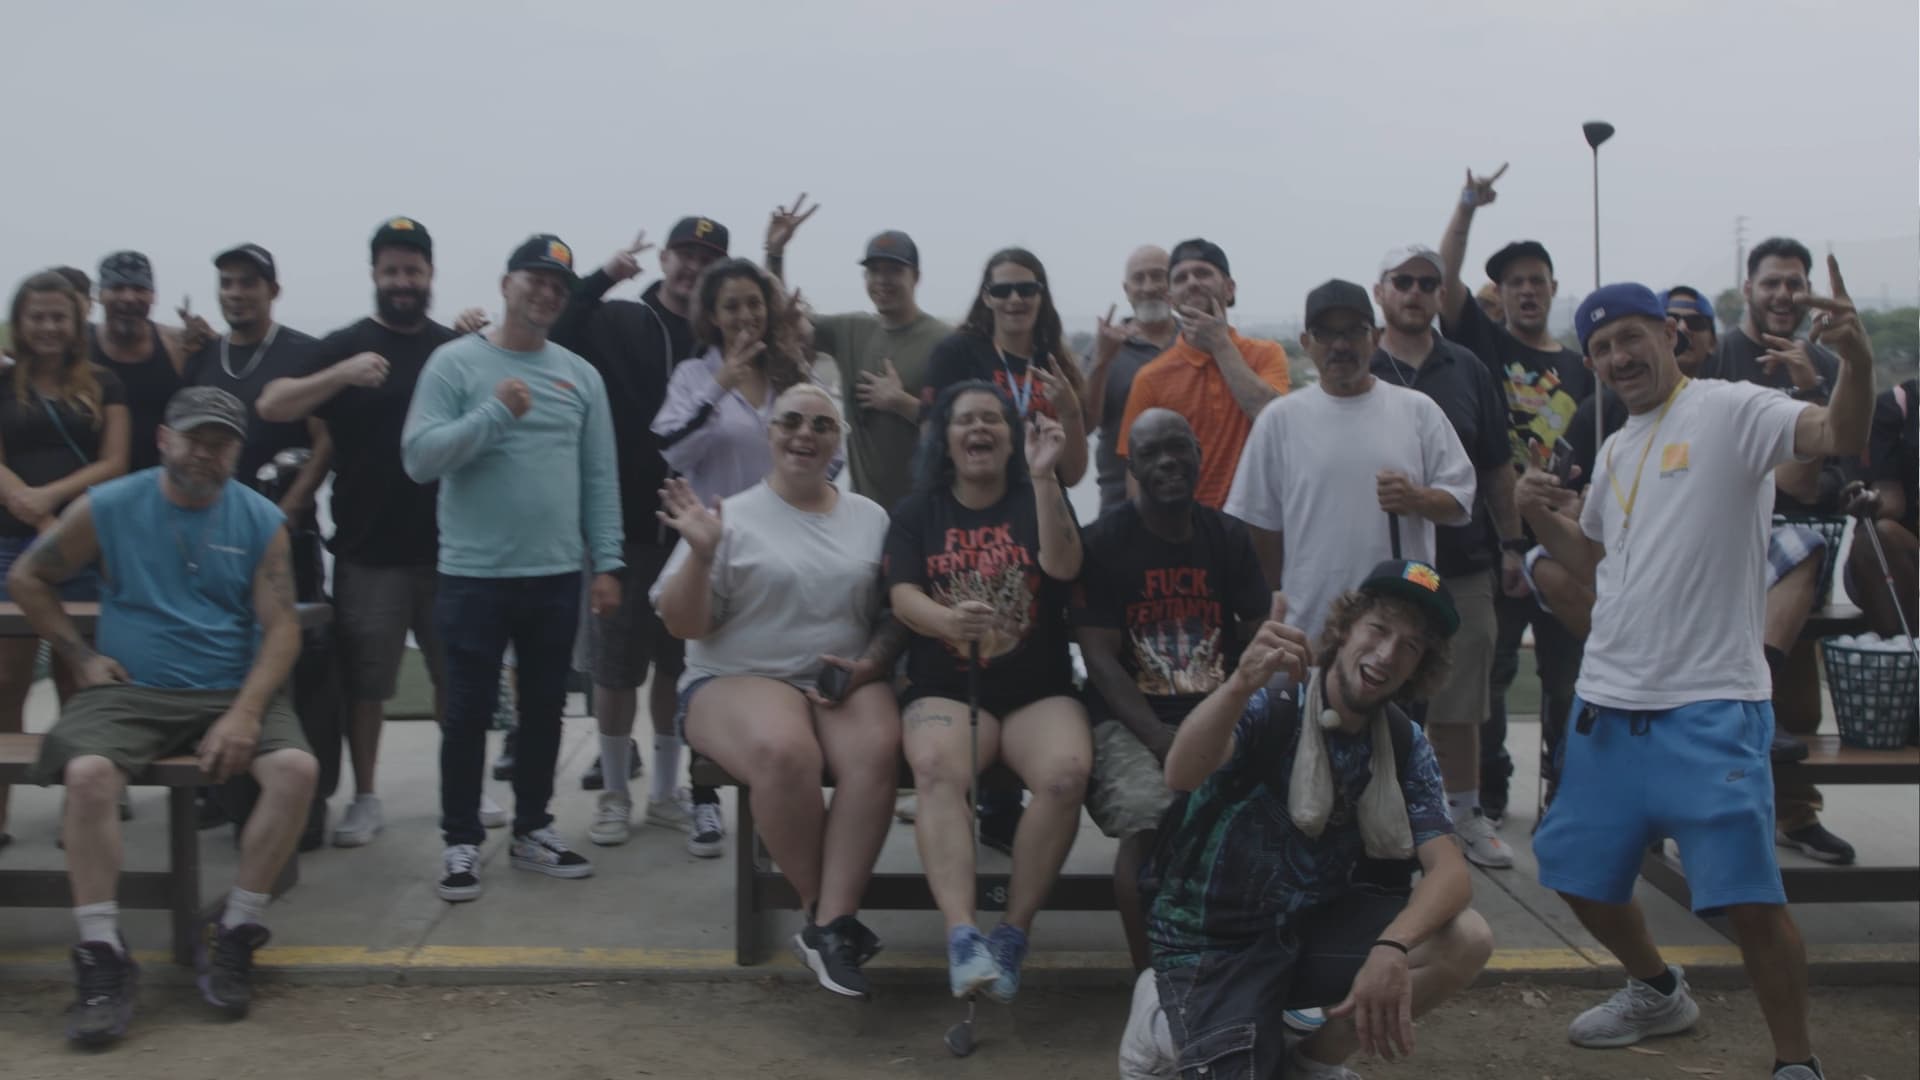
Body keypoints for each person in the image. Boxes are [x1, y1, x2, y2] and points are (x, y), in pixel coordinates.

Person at [1519, 270, 1874, 1080]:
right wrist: (1541, 515)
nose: (1617, 356)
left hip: (1711, 706)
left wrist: (1853, 362)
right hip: (1609, 706)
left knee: (1748, 903)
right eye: (1601, 347)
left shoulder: (1730, 409)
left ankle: (1795, 1062)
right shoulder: (1614, 449)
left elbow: (1833, 432)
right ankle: (1656, 989)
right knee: (1571, 869)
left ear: (1668, 336)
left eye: (1631, 337)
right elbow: (1604, 563)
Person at [11, 386, 316, 1044]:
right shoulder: (113, 503)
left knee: (295, 769)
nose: (205, 453)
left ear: (237, 450)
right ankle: (102, 954)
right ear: (164, 439)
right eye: (194, 438)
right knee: (88, 775)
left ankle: (235, 929)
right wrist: (80, 657)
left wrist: (245, 711)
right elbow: (29, 577)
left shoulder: (260, 520)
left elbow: (283, 628)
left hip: (228, 687)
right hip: (130, 691)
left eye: (221, 442)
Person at [1135, 562, 1492, 1080]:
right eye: (1379, 628)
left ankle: (1313, 1063)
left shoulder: (1402, 741)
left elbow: (1450, 873)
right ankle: (1155, 1025)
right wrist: (1237, 684)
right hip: (1215, 941)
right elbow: (1181, 772)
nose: (1387, 654)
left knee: (1467, 937)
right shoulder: (1275, 703)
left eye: (1411, 646)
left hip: (1308, 930)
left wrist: (1392, 947)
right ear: (1346, 628)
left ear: (1420, 667)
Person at [651, 385, 900, 997]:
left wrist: (870, 664)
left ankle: (828, 923)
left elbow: (889, 613)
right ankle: (827, 916)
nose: (804, 434)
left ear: (838, 440)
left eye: (821, 424)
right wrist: (701, 557)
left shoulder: (871, 517)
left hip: (839, 676)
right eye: (790, 421)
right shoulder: (728, 515)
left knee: (879, 747)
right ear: (769, 432)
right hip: (735, 676)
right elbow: (682, 624)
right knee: (785, 751)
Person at [402, 234, 624, 902]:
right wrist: (496, 413)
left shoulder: (580, 375)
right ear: (506, 285)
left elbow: (599, 478)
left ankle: (533, 830)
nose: (546, 293)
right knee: (467, 710)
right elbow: (418, 457)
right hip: (472, 575)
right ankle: (461, 840)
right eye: (535, 280)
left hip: (557, 575)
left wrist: (608, 563)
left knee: (545, 711)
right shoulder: (454, 364)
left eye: (558, 285)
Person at [255, 217, 476, 848]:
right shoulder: (344, 345)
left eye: (413, 270)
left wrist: (480, 333)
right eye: (391, 271)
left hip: (451, 548)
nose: (402, 281)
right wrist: (341, 376)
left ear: (430, 275)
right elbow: (273, 403)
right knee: (367, 687)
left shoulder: (453, 347)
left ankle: (459, 790)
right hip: (366, 551)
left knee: (455, 682)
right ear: (375, 276)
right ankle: (367, 795)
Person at [886, 381, 1087, 1002]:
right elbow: (901, 595)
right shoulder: (918, 512)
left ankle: (1012, 934)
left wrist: (1048, 480)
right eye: (965, 420)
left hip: (1036, 689)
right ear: (945, 438)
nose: (979, 431)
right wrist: (945, 621)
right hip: (949, 686)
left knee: (1064, 775)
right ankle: (963, 935)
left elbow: (1064, 567)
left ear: (1012, 436)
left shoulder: (1038, 498)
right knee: (935, 770)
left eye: (993, 421)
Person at [1073, 408, 1268, 972]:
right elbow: (1100, 660)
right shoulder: (1105, 541)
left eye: (1178, 448)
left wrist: (1235, 710)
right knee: (1151, 817)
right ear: (1131, 466)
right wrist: (1161, 740)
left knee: (1257, 811)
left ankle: (1238, 963)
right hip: (1134, 721)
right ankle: (1152, 980)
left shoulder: (1228, 538)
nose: (1168, 462)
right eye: (1152, 453)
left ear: (1199, 455)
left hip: (1217, 712)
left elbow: (1256, 636)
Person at [651, 257, 835, 856]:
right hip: (713, 546)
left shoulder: (791, 376)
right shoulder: (692, 375)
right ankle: (704, 802)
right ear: (711, 315)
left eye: (753, 304)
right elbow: (674, 450)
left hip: (786, 551)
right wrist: (722, 383)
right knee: (712, 667)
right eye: (730, 306)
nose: (743, 316)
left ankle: (774, 799)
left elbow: (831, 459)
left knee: (780, 671)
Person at [550, 215, 727, 812]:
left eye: (707, 257)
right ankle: (616, 793)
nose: (693, 266)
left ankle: (665, 791)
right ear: (664, 260)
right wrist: (601, 277)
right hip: (621, 524)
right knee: (615, 668)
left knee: (679, 667)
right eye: (684, 253)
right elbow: (559, 325)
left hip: (696, 533)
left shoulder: (724, 341)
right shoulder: (622, 317)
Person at [1436, 164, 1594, 829]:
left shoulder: (1586, 367)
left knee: (1566, 679)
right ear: (1499, 294)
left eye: (1538, 280)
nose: (1527, 291)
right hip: (1499, 540)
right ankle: (1490, 789)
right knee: (1491, 677)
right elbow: (1444, 286)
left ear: (1554, 289)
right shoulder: (1487, 345)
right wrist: (1467, 208)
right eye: (1515, 282)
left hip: (1564, 540)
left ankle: (1564, 788)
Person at [1371, 246, 1520, 868]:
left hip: (1463, 561)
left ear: (1439, 294)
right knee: (1377, 691)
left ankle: (1463, 813)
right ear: (1380, 291)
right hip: (1380, 569)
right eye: (1402, 281)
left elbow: (1495, 465)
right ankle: (1381, 810)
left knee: (1462, 701)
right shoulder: (1361, 368)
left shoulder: (1469, 368)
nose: (1415, 291)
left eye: (1427, 283)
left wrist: (1511, 545)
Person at [1224, 279, 1476, 644]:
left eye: (1354, 332)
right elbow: (1260, 527)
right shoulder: (1279, 420)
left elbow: (1460, 501)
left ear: (1375, 339)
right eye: (1325, 333)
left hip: (1399, 634)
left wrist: (1417, 499)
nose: (1340, 345)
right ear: (1306, 343)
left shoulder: (1418, 411)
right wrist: (1279, 595)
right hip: (1307, 629)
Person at [0, 272, 131, 848]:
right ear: (20, 323)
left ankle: (78, 812)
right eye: (38, 317)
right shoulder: (3, 384)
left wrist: (53, 505)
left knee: (81, 677)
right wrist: (31, 511)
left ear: (77, 322)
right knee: (5, 680)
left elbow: (116, 464)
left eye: (60, 317)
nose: (49, 327)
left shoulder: (106, 382)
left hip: (87, 546)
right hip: (9, 544)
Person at [761, 199, 947, 515]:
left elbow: (960, 422)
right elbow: (789, 320)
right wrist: (775, 255)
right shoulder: (852, 329)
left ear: (915, 276)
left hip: (929, 513)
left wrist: (900, 402)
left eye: (894, 271)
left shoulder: (944, 341)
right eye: (874, 271)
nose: (882, 280)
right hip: (865, 514)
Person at [1117, 239, 1291, 510]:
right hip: (1186, 530)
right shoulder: (1151, 377)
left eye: (1203, 273)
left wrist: (1220, 344)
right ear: (1170, 298)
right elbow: (1136, 470)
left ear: (1230, 288)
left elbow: (1274, 419)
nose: (1192, 282)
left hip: (1259, 526)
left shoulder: (1266, 355)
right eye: (1181, 278)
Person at [180, 245, 332, 527]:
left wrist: (291, 508)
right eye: (226, 283)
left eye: (248, 282)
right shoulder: (202, 356)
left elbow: (326, 441)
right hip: (209, 522)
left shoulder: (308, 354)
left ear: (273, 291)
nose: (235, 293)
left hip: (281, 523)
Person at [923, 248, 1089, 486]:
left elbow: (1072, 476)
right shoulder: (956, 353)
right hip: (979, 505)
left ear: (1041, 296)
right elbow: (931, 441)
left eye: (1026, 290)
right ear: (987, 297)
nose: (1015, 299)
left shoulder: (1055, 363)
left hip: (1045, 505)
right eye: (1002, 291)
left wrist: (1070, 413)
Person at [89, 251, 209, 473]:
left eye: (139, 289)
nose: (128, 297)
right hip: (90, 483)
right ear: (99, 295)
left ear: (153, 296)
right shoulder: (78, 345)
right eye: (117, 288)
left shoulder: (178, 346)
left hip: (160, 484)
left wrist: (212, 340)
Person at [1085, 246, 1178, 517]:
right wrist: (1101, 362)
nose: (1149, 287)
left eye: (1158, 276)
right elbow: (1085, 425)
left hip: (1196, 502)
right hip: (1120, 505)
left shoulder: (1197, 341)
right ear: (1126, 290)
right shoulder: (1103, 347)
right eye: (1139, 279)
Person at [1843, 379, 1918, 637]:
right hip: (1902, 563)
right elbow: (1891, 504)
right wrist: (1869, 503)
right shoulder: (1895, 408)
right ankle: (1902, 659)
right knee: (1876, 535)